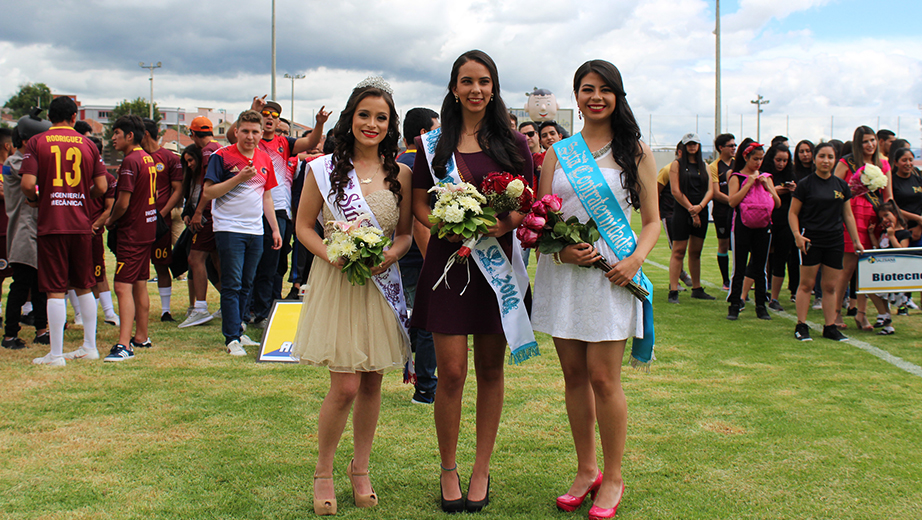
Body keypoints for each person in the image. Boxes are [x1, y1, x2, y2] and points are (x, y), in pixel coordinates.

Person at [532, 59, 658, 520]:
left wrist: (634, 260)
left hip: (612, 271)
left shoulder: (636, 152)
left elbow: (652, 222)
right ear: (576, 96)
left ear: (617, 96)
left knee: (605, 379)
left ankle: (615, 475)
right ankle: (586, 471)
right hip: (565, 272)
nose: (596, 97)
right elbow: (541, 219)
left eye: (605, 89)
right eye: (587, 89)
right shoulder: (557, 152)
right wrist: (560, 252)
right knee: (574, 378)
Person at [411, 50, 534, 513]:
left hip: (495, 268)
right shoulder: (434, 144)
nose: (475, 89)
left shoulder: (513, 143)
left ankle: (481, 466)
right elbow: (420, 201)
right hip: (448, 265)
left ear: (494, 86)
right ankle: (448, 468)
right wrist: (444, 221)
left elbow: (528, 201)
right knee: (452, 373)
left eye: (484, 81)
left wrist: (504, 225)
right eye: (467, 81)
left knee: (490, 370)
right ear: (454, 87)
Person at [292, 77, 413, 515]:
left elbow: (404, 238)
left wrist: (389, 255)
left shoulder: (401, 173)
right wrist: (331, 253)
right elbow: (304, 226)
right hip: (337, 281)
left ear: (389, 124)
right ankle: (323, 470)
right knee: (344, 385)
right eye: (365, 114)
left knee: (373, 381)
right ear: (350, 117)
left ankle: (360, 468)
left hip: (380, 284)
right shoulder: (323, 169)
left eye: (381, 117)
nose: (372, 124)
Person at [19, 96, 108, 365]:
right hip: (81, 223)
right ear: (73, 117)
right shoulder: (89, 145)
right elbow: (102, 187)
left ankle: (56, 354)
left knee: (55, 289)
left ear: (50, 117)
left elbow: (27, 184)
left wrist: (37, 200)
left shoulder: (37, 142)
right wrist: (82, 195)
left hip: (53, 223)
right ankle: (90, 346)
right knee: (84, 285)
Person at [228, 98, 328, 329]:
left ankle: (263, 312)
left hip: (279, 212)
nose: (270, 118)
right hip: (252, 210)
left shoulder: (284, 143)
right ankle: (244, 312)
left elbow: (311, 141)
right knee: (249, 265)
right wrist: (252, 111)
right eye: (265, 114)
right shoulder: (249, 141)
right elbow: (233, 136)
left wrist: (319, 123)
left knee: (272, 266)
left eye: (274, 115)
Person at [202, 109, 281, 355]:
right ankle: (231, 338)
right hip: (229, 228)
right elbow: (209, 192)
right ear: (236, 131)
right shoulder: (222, 156)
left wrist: (275, 228)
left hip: (256, 229)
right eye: (245, 131)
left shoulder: (264, 159)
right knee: (232, 284)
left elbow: (267, 196)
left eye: (255, 132)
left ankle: (239, 330)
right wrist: (238, 178)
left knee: (247, 284)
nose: (250, 136)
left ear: (262, 133)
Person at [790, 142, 863, 341]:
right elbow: (793, 212)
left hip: (835, 241)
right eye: (822, 156)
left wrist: (856, 241)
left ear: (835, 160)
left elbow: (847, 215)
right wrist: (797, 234)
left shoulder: (841, 186)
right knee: (806, 284)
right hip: (811, 240)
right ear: (814, 159)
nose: (826, 161)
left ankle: (830, 327)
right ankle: (801, 325)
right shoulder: (806, 184)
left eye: (830, 157)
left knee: (830, 286)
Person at [103, 115, 158, 362]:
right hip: (147, 229)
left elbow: (123, 203)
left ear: (130, 136)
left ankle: (124, 344)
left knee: (122, 286)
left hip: (132, 232)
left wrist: (110, 220)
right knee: (139, 283)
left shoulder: (130, 161)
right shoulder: (147, 158)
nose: (112, 137)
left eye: (116, 132)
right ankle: (141, 336)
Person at [397, 107, 439, 405]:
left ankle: (414, 373)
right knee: (429, 322)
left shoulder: (397, 161)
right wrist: (431, 261)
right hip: (419, 254)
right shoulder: (417, 164)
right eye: (437, 130)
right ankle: (425, 387)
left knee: (413, 318)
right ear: (424, 134)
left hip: (401, 254)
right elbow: (417, 218)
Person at [833, 125, 892, 330]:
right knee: (847, 267)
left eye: (873, 140)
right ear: (858, 143)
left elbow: (888, 196)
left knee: (867, 268)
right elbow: (834, 186)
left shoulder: (883, 164)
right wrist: (852, 188)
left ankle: (862, 313)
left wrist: (888, 216)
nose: (870, 145)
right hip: (852, 215)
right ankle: (836, 312)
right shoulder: (847, 162)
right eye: (866, 141)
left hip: (873, 220)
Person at [3, 119, 51, 350]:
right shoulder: (14, 162)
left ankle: (41, 331)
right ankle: (10, 334)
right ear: (25, 141)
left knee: (41, 287)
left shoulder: (29, 162)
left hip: (36, 230)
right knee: (21, 286)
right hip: (23, 232)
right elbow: (34, 186)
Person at [725, 142, 780, 320]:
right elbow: (732, 202)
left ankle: (761, 306)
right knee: (739, 267)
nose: (758, 162)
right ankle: (734, 305)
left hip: (764, 227)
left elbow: (777, 203)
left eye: (761, 159)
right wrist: (747, 185)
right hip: (742, 227)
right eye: (755, 159)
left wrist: (768, 186)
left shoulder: (767, 177)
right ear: (746, 158)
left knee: (760, 268)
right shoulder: (737, 177)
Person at [179, 117, 222, 328]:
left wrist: (197, 213)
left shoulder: (207, 152)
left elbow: (209, 186)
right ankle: (229, 305)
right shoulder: (218, 148)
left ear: (193, 134)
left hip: (210, 212)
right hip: (220, 213)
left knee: (195, 258)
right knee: (217, 261)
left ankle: (201, 307)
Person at [140, 118, 183, 322]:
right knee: (137, 267)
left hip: (160, 222)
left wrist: (162, 212)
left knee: (161, 263)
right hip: (138, 221)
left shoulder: (168, 158)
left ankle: (165, 310)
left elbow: (178, 189)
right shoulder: (135, 157)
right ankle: (136, 309)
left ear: (145, 134)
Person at [668, 132, 714, 303]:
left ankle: (697, 287)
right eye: (689, 144)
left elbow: (710, 190)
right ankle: (673, 290)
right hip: (682, 211)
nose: (692, 147)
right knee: (678, 251)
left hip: (700, 210)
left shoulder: (705, 166)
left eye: (695, 144)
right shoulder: (677, 165)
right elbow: (675, 191)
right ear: (684, 146)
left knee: (696, 252)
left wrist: (700, 207)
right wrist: (691, 209)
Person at [866, 200, 908, 334]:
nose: (884, 220)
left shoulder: (903, 233)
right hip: (883, 270)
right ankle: (886, 320)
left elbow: (902, 251)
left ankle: (885, 316)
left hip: (897, 272)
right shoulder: (884, 233)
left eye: (887, 215)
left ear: (895, 214)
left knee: (882, 293)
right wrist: (872, 234)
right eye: (881, 218)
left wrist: (892, 236)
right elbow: (878, 248)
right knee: (871, 289)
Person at [764, 144, 796, 311]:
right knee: (760, 257)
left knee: (781, 259)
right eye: (778, 160)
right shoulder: (764, 174)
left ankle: (774, 298)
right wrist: (775, 190)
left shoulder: (791, 174)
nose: (781, 164)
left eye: (785, 160)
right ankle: (758, 292)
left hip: (785, 221)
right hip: (766, 220)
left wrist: (793, 190)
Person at [657, 143, 692, 291]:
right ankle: (677, 280)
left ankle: (681, 274)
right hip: (670, 214)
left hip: (686, 213)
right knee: (676, 248)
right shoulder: (667, 169)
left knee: (681, 248)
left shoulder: (690, 170)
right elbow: (656, 190)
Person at [708, 133, 736, 289]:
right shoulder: (714, 167)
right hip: (721, 212)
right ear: (721, 148)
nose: (734, 148)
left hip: (738, 212)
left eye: (734, 145)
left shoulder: (738, 164)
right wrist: (733, 201)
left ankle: (740, 278)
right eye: (731, 145)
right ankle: (726, 280)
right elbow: (716, 193)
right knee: (723, 244)